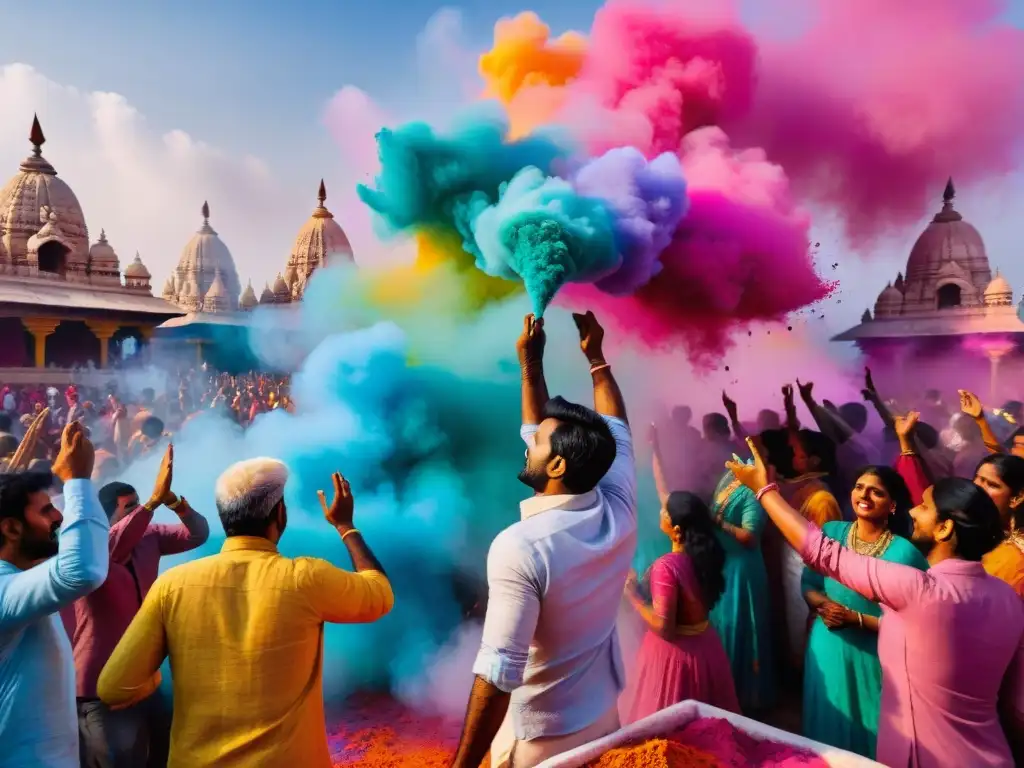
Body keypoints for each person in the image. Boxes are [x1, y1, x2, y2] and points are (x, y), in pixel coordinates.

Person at [727, 431, 1024, 767]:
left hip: (926, 755)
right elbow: (1016, 707)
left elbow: (821, 553)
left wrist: (764, 491)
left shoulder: (919, 588)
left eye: (924, 507)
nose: (913, 512)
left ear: (943, 529)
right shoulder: (1009, 599)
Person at [96, 460, 394, 768]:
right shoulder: (304, 577)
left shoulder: (172, 585)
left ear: (225, 517)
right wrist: (346, 526)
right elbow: (380, 595)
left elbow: (113, 687)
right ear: (280, 514)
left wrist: (153, 679)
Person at [449, 312, 636, 768]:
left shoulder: (521, 546)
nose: (528, 442)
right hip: (603, 719)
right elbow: (618, 425)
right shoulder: (619, 505)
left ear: (556, 468)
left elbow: (498, 673)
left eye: (537, 445)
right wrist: (575, 360)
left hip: (540, 743)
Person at [68, 445, 209, 767]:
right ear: (106, 516)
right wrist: (151, 503)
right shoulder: (93, 548)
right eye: (128, 508)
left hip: (144, 678)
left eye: (138, 505)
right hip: (98, 688)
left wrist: (173, 502)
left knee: (163, 755)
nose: (138, 513)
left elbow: (197, 535)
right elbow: (116, 547)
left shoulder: (149, 536)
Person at [0, 421, 109, 768]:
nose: (58, 516)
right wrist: (77, 479)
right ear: (12, 528)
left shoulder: (20, 577)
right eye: (46, 510)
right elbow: (83, 570)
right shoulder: (3, 589)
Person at [801, 466, 928, 758]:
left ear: (893, 505)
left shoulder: (904, 554)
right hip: (827, 643)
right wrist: (821, 604)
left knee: (871, 727)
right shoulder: (832, 532)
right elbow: (808, 582)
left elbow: (919, 623)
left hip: (874, 654)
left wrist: (855, 618)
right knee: (827, 720)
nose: (864, 495)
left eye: (877, 491)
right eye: (859, 487)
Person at [624, 471, 738, 721]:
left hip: (676, 660)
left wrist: (633, 596)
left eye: (664, 511)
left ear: (676, 530)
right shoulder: (704, 557)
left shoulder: (668, 566)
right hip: (706, 649)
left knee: (672, 735)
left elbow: (665, 627)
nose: (660, 512)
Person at [706, 459, 775, 713]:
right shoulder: (728, 477)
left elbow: (750, 536)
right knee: (722, 625)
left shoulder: (753, 490)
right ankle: (721, 690)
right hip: (723, 564)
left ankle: (743, 699)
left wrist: (716, 522)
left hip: (742, 570)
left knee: (740, 625)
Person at [970, 453, 1024, 597]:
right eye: (977, 479)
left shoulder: (1014, 557)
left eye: (991, 484)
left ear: (1017, 498)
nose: (977, 488)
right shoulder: (971, 527)